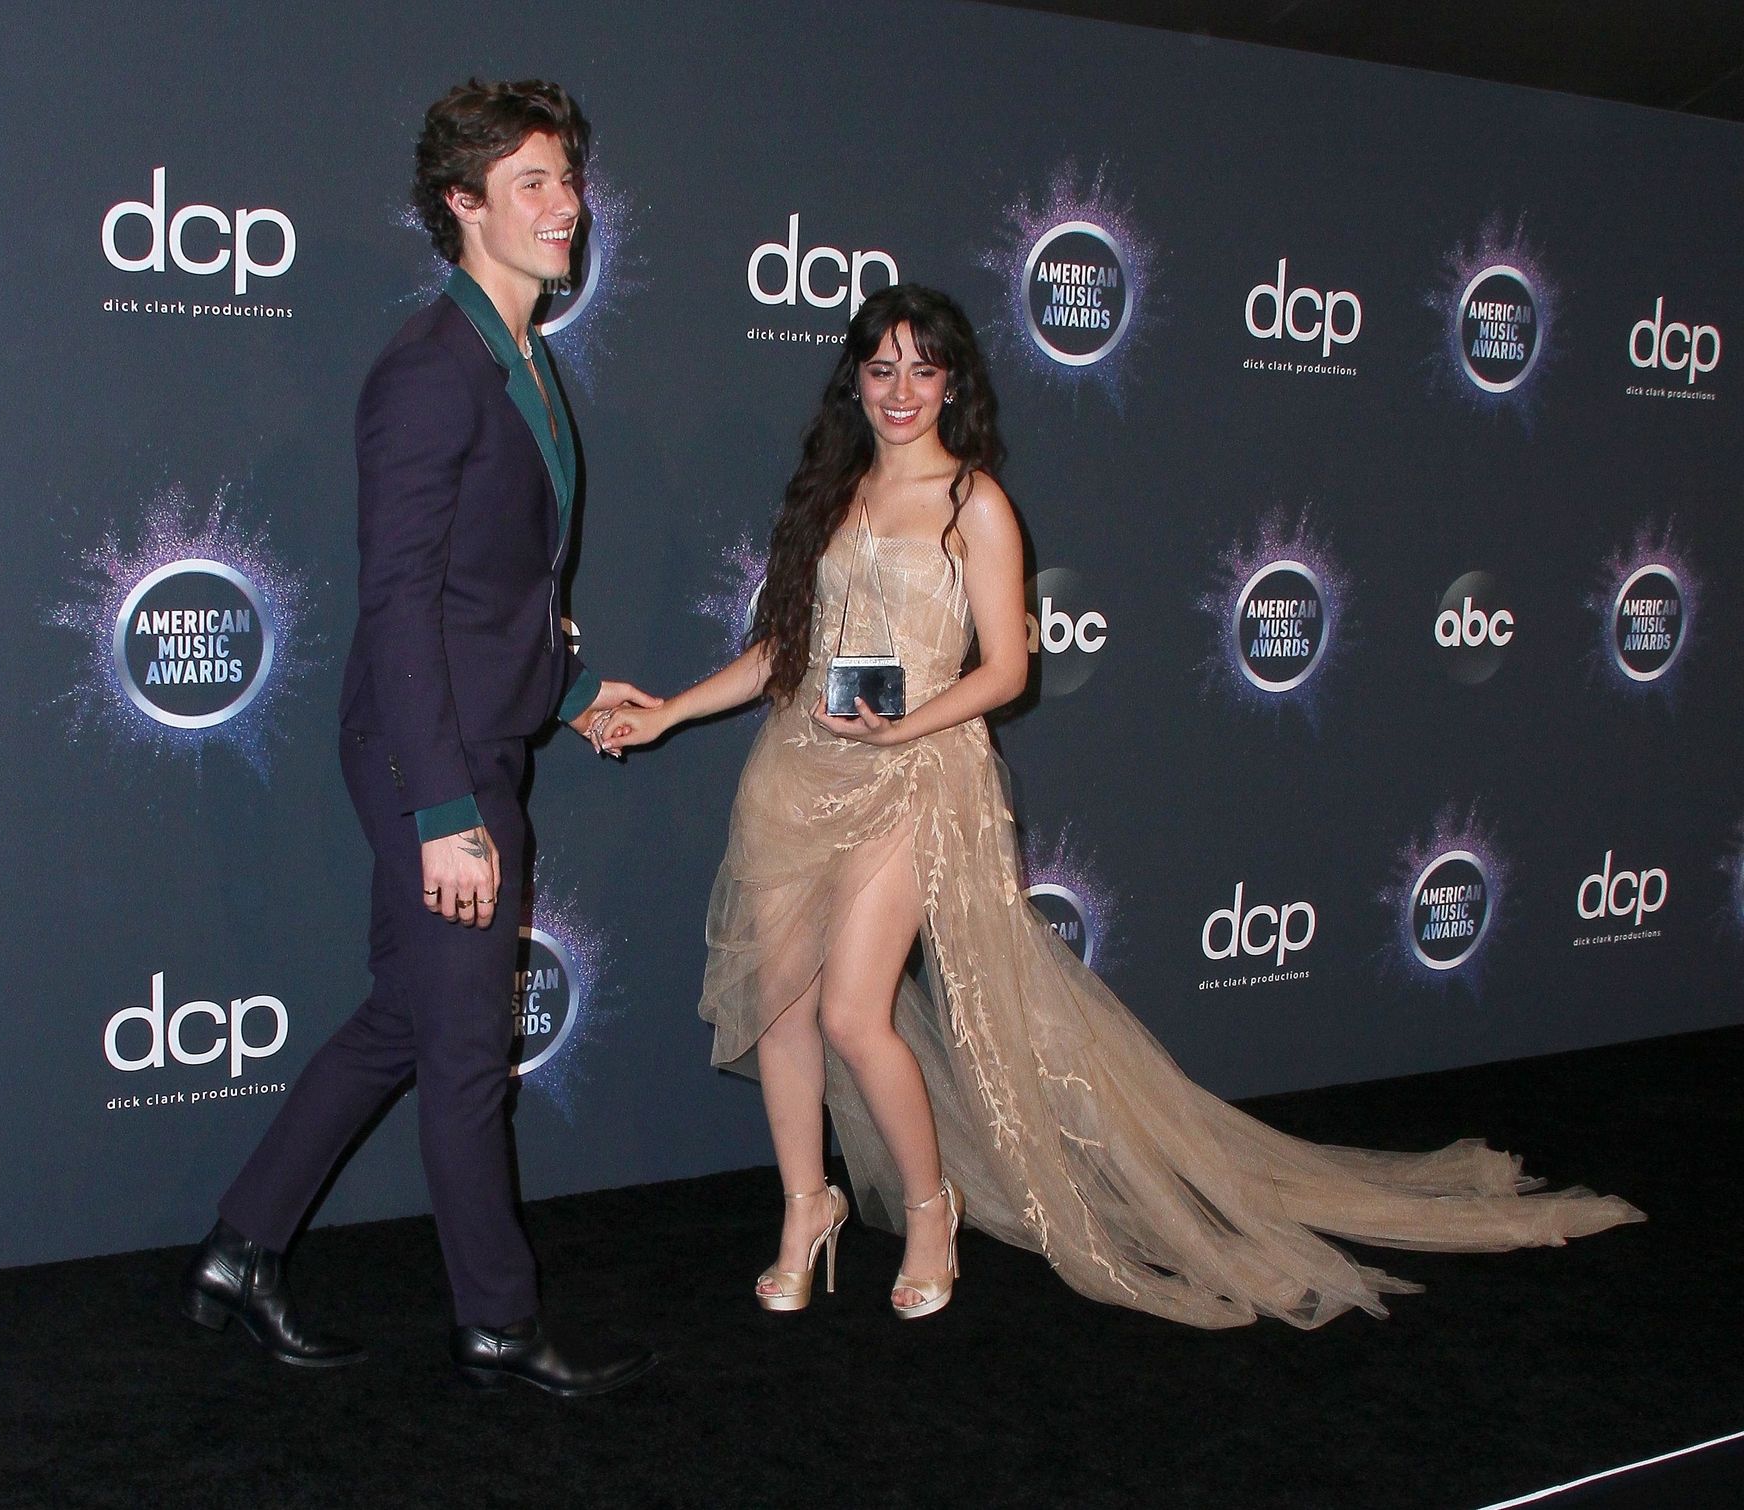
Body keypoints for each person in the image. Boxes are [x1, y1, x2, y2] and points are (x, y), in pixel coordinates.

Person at [598, 284, 1642, 1328]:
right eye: (881, 369)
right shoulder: (833, 491)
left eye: (923, 368)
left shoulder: (976, 502)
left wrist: (904, 727)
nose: (901, 390)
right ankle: (806, 1208)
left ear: (952, 382)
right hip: (797, 773)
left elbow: (1007, 670)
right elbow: (785, 648)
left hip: (917, 779)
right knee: (782, 1008)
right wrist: (669, 712)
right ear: (854, 382)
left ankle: (929, 1211)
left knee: (849, 1015)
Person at [181, 79, 658, 1394]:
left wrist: (570, 694)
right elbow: (396, 602)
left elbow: (485, 594)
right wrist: (445, 807)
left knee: (408, 1014)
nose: (566, 206)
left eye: (568, 179)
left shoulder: (523, 357)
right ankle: (497, 1322)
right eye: (531, 183)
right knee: (463, 1053)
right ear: (462, 203)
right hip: (425, 753)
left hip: (473, 730)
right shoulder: (431, 370)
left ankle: (241, 1246)